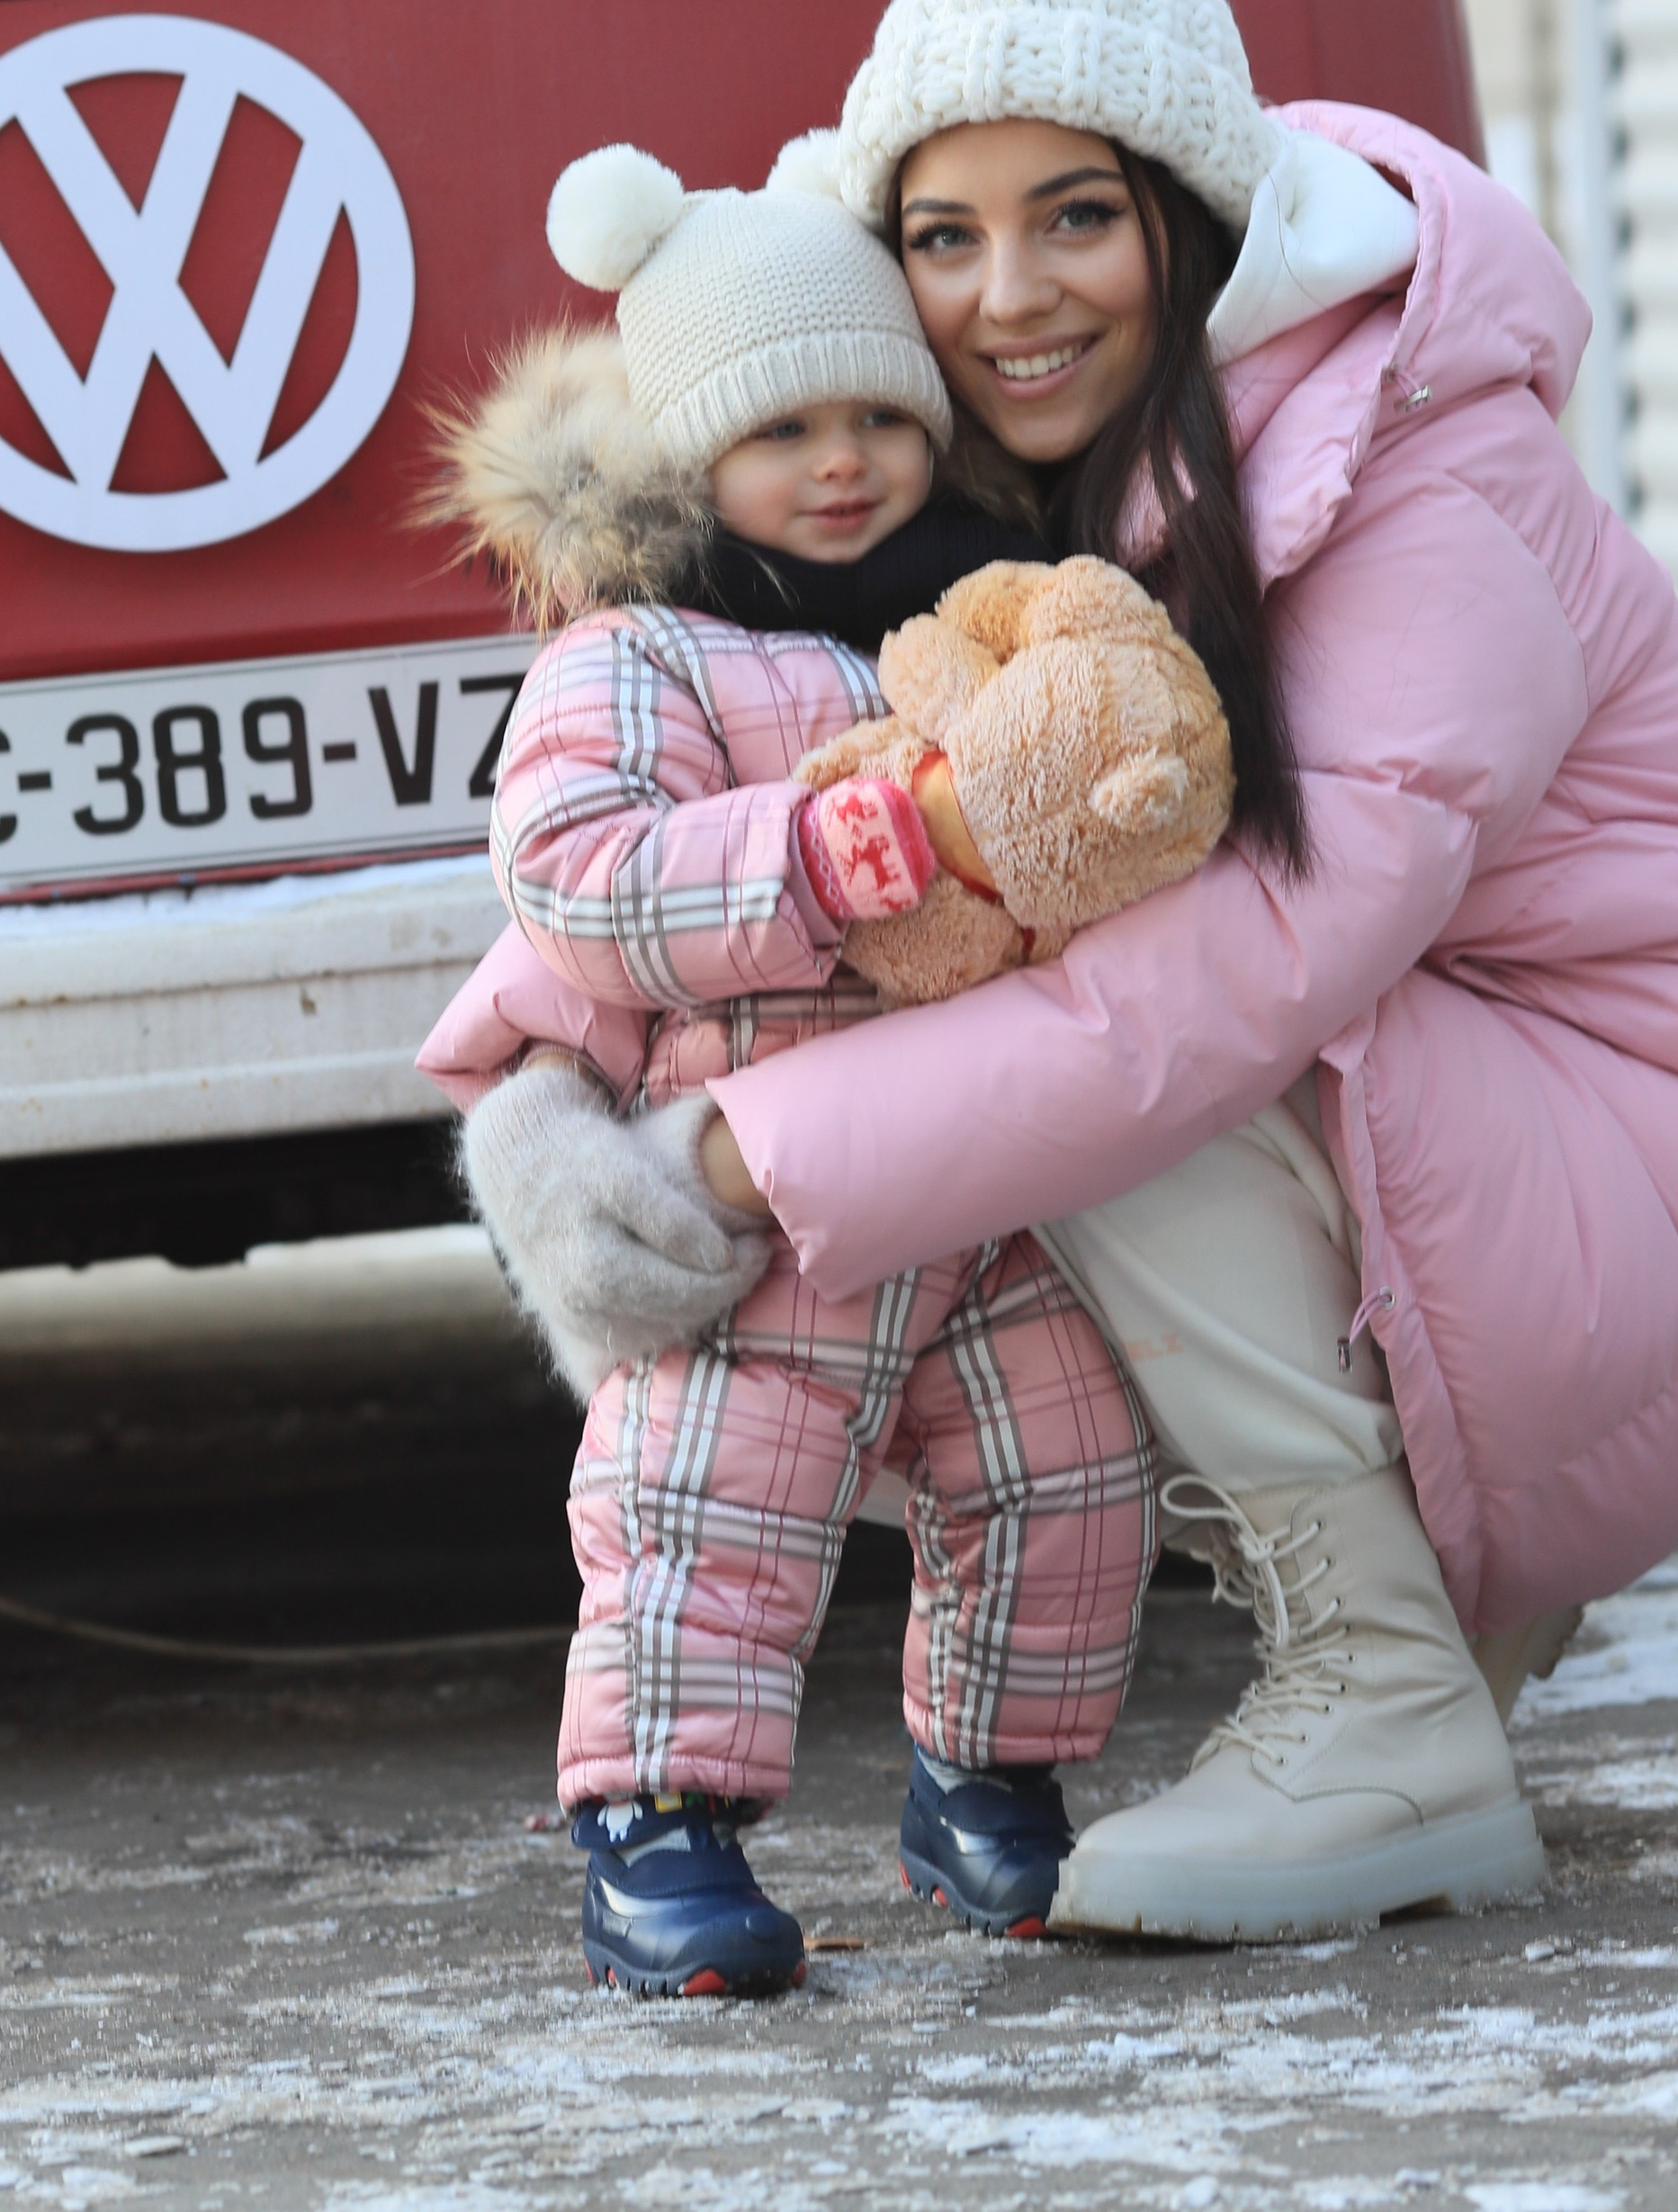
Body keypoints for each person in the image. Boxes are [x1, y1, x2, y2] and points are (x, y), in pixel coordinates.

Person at [463, 0, 1678, 1943]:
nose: (1008, 295)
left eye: (1077, 215)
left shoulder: (1424, 480)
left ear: (1190, 215)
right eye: (945, 237)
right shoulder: (1039, 475)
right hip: (1519, 1164)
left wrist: (729, 1145)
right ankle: (1431, 1628)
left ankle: (1382, 1691)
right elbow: (712, 803)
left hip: (1660, 1184)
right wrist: (533, 1094)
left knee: (1108, 1044)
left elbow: (1234, 982)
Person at [420, 136, 1163, 1994]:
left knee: (1061, 1469)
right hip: (747, 1168)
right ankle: (654, 1822)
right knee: (710, 1504)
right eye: (779, 432)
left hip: (988, 1154)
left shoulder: (985, 608)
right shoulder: (641, 654)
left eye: (873, 418)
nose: (838, 464)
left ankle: (987, 1778)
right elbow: (575, 872)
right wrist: (813, 861)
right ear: (690, 457)